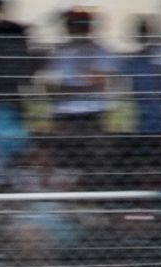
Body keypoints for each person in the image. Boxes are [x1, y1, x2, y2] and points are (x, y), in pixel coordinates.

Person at [41, 7, 116, 173]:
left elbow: (98, 82)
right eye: (72, 24)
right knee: (65, 160)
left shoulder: (98, 50)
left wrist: (64, 91)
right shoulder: (60, 51)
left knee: (94, 159)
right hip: (67, 112)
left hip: (90, 112)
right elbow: (48, 83)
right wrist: (71, 91)